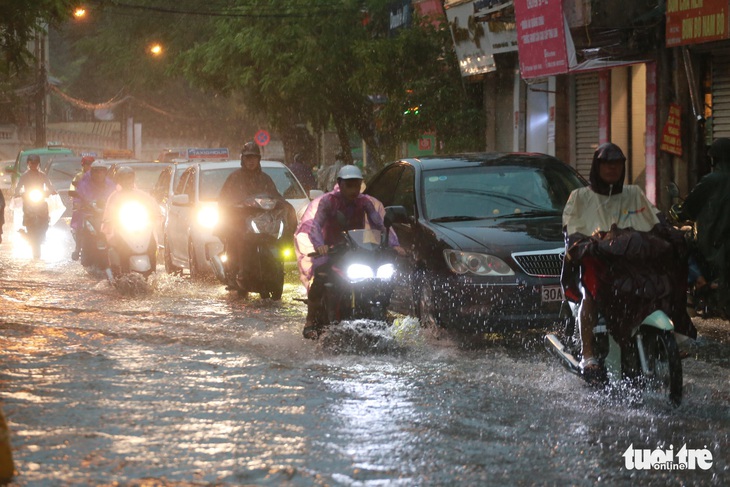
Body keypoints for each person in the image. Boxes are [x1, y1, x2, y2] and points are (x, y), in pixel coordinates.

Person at [561, 142, 696, 384]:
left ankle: (669, 333)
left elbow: (655, 220)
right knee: (591, 293)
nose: (612, 169)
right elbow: (572, 230)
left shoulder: (633, 193)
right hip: (597, 259)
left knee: (661, 275)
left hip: (630, 259)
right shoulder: (580, 197)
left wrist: (673, 234)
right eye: (607, 164)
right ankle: (588, 353)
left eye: (617, 164)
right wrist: (587, 243)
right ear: (597, 166)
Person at [297, 165, 405, 339]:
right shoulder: (328, 202)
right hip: (332, 251)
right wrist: (320, 246)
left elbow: (379, 224)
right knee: (320, 278)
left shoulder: (364, 202)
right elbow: (316, 226)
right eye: (350, 185)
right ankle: (310, 321)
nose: (354, 190)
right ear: (340, 184)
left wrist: (394, 244)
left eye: (357, 185)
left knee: (383, 278)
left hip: (358, 250)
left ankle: (381, 311)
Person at [217, 141, 294, 281]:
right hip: (240, 223)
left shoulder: (265, 178)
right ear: (243, 159)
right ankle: (236, 271)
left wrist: (284, 205)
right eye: (247, 158)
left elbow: (274, 195)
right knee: (236, 238)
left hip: (262, 222)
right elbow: (224, 200)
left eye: (254, 157)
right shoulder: (234, 178)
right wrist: (234, 207)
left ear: (258, 159)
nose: (251, 161)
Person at [676, 137, 730, 318]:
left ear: (714, 158)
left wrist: (678, 212)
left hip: (712, 244)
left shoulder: (711, 180)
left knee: (680, 245)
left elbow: (687, 210)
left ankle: (700, 282)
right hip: (721, 246)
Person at [102, 166, 161, 269]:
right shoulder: (114, 197)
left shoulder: (142, 195)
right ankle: (122, 271)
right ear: (119, 180)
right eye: (124, 178)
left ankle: (153, 271)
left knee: (152, 245)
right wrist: (110, 220)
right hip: (122, 229)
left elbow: (152, 207)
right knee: (121, 248)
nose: (127, 181)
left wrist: (155, 214)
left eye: (129, 178)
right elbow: (108, 213)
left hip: (141, 227)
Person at [72, 163, 116, 262]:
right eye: (96, 171)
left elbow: (117, 197)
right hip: (89, 213)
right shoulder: (84, 184)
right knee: (81, 224)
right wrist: (78, 204)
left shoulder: (111, 185)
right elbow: (77, 198)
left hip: (107, 215)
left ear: (105, 173)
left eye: (101, 171)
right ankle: (78, 249)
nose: (99, 174)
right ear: (92, 173)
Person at [69, 156, 100, 260]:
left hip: (98, 207)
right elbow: (74, 191)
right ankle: (78, 248)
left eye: (91, 165)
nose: (89, 167)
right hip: (84, 206)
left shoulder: (101, 178)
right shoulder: (79, 177)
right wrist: (77, 202)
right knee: (80, 226)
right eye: (87, 165)